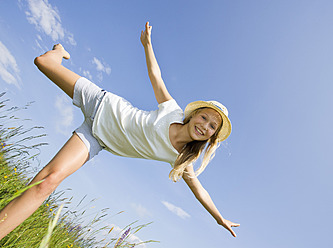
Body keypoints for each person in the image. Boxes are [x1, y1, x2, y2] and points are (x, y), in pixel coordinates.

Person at [0, 22, 239, 239]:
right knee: (43, 62)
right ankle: (58, 52)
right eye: (204, 117)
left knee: (47, 182)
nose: (205, 125)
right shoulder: (173, 111)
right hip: (102, 103)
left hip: (96, 138)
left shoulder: (182, 159)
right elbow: (156, 77)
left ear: (211, 136)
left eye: (212, 126)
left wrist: (219, 218)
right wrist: (147, 44)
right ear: (194, 114)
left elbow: (201, 191)